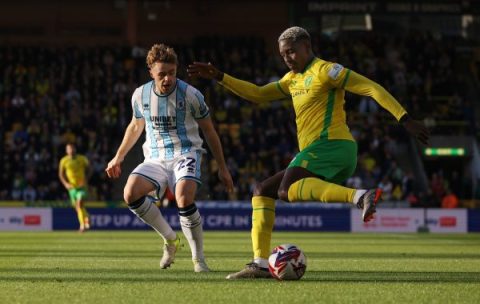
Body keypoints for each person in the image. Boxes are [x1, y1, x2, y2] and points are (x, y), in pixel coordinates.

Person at [188, 26, 430, 279]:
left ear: (307, 46)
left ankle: (360, 196)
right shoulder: (292, 79)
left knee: (285, 190)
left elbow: (371, 87)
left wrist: (405, 118)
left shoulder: (327, 71)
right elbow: (258, 94)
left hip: (334, 146)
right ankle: (260, 263)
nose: (287, 58)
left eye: (292, 52)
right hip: (317, 151)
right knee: (263, 191)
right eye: (283, 54)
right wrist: (220, 76)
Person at [106, 43, 234, 272]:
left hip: (186, 152)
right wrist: (118, 157)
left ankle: (199, 259)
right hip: (155, 157)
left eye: (172, 73)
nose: (167, 79)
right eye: (162, 74)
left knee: (183, 197)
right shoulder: (140, 94)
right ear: (151, 73)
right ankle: (170, 240)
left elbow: (209, 130)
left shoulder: (192, 95)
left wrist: (222, 167)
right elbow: (136, 126)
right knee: (130, 192)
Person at [58, 143, 91, 233]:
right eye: (69, 149)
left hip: (81, 186)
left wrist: (85, 180)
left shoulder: (82, 159)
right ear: (66, 151)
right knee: (78, 207)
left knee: (79, 203)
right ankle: (87, 217)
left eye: (72, 148)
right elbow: (61, 174)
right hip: (72, 188)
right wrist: (66, 184)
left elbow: (90, 170)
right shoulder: (63, 161)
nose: (71, 150)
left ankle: (82, 226)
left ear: (75, 149)